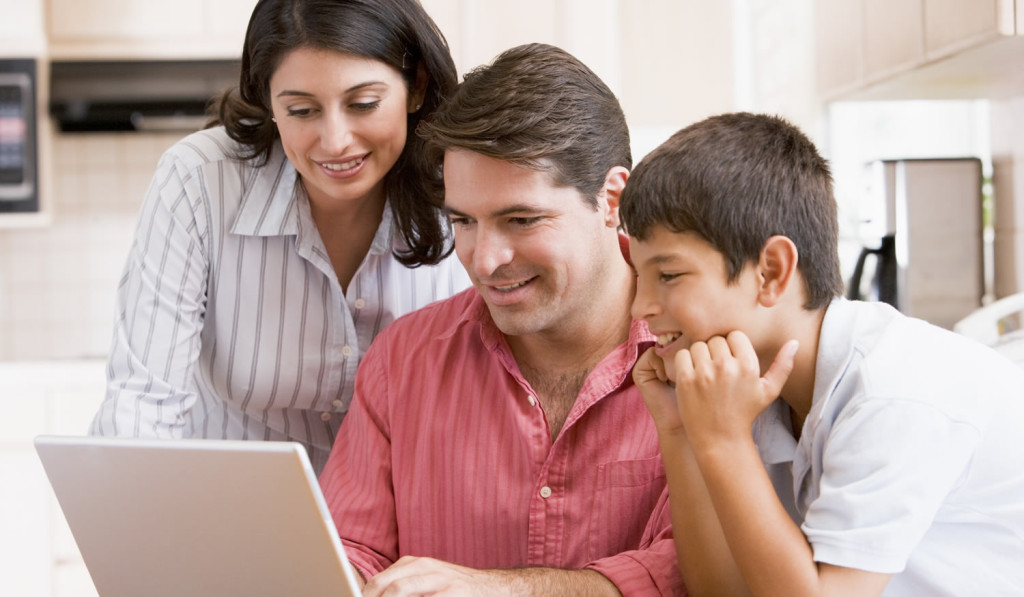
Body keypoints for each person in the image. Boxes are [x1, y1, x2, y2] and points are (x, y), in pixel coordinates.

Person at [319, 43, 684, 596]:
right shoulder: (402, 360)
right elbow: (353, 547)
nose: (483, 261)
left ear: (611, 199)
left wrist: (507, 591)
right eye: (463, 221)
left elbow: (694, 574)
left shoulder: (700, 353)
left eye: (521, 219)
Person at [622, 111, 1024, 597]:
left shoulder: (890, 394)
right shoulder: (750, 385)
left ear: (771, 271)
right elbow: (722, 592)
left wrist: (724, 441)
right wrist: (681, 429)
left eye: (668, 276)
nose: (642, 306)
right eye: (640, 276)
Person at [89, 0, 471, 473]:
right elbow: (142, 406)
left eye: (364, 104)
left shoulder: (462, 188)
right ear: (268, 101)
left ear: (417, 86)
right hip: (228, 521)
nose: (335, 141)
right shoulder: (200, 182)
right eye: (301, 110)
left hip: (400, 531)